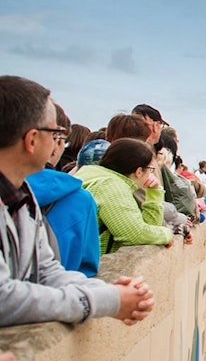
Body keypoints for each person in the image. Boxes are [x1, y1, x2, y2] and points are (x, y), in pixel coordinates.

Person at [0, 76, 154, 327]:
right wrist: (107, 300)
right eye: (57, 133)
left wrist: (106, 291)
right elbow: (5, 299)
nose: (59, 142)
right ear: (31, 140)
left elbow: (46, 270)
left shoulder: (22, 195)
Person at [26, 103, 102, 276]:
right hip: (60, 294)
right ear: (55, 142)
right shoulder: (80, 200)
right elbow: (87, 269)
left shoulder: (12, 193)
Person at [75, 139, 181, 254]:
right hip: (87, 266)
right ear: (139, 171)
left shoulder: (94, 176)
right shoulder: (111, 186)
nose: (151, 174)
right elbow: (135, 235)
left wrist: (154, 192)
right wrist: (167, 234)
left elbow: (149, 228)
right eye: (150, 169)